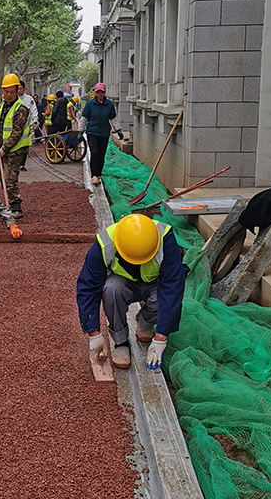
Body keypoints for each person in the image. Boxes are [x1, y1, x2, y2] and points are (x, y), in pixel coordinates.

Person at [76, 214, 188, 370]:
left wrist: (161, 338)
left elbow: (172, 288)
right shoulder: (105, 244)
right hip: (122, 284)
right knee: (111, 289)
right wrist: (93, 333)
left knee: (162, 299)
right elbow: (88, 288)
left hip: (154, 284)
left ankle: (144, 323)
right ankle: (120, 341)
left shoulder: (165, 240)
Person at [0, 73, 30, 218]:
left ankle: (16, 207)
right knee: (3, 177)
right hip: (4, 148)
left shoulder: (20, 108)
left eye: (11, 92)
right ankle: (10, 202)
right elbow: (1, 121)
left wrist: (4, 148)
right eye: (6, 92)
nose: (8, 95)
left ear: (17, 91)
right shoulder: (4, 106)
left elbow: (16, 133)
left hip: (15, 149)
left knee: (10, 179)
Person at [78, 82, 123, 186]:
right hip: (92, 132)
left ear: (104, 92)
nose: (100, 94)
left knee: (101, 154)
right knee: (95, 153)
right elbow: (84, 119)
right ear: (95, 92)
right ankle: (94, 175)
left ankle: (98, 174)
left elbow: (113, 118)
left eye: (101, 92)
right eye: (98, 92)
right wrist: (80, 132)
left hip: (104, 133)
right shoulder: (90, 104)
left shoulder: (109, 104)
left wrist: (118, 130)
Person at [17, 80, 38, 172]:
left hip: (25, 128)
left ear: (24, 89)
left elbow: (34, 111)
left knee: (24, 147)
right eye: (17, 88)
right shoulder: (11, 99)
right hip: (13, 128)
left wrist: (35, 122)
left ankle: (22, 165)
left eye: (21, 88)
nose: (19, 90)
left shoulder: (29, 99)